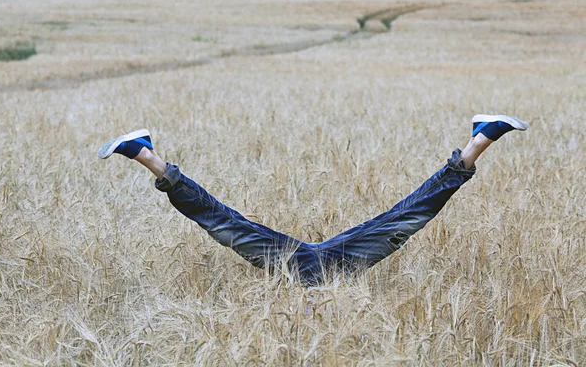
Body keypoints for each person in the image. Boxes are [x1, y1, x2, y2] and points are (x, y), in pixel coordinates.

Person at [98, 114, 528, 285]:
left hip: (306, 264)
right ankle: (474, 145)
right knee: (402, 220)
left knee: (223, 224)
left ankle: (149, 156)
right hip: (327, 264)